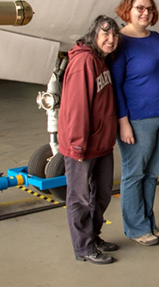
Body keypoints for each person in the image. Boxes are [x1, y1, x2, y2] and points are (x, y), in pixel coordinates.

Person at [110, 0, 159, 247]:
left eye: (149, 9)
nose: (145, 12)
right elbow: (115, 86)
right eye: (139, 8)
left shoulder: (157, 38)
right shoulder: (121, 42)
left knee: (151, 174)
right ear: (128, 10)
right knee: (134, 174)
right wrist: (123, 121)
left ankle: (148, 222)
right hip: (137, 119)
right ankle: (136, 228)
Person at [58, 15, 121, 265]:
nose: (111, 39)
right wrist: (77, 143)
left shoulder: (100, 60)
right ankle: (83, 248)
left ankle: (92, 237)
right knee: (80, 197)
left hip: (101, 144)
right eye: (105, 34)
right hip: (82, 145)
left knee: (102, 193)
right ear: (94, 35)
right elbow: (76, 106)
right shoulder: (84, 61)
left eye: (115, 35)